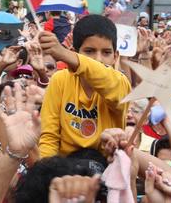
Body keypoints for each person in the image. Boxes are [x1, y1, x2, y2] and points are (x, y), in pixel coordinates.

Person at [38, 14, 131, 157]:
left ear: (115, 57)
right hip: (63, 169)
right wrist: (46, 174)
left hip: (107, 168)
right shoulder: (60, 80)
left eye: (106, 52)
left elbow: (104, 77)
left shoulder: (121, 83)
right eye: (89, 51)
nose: (98, 59)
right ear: (75, 52)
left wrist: (63, 53)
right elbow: (49, 138)